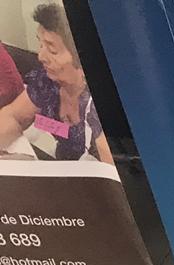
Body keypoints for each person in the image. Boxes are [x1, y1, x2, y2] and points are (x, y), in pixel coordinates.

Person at [0, 4, 111, 163]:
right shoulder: (47, 82)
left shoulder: (96, 103)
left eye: (52, 50)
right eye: (41, 45)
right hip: (61, 164)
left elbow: (112, 168)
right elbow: (14, 116)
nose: (41, 56)